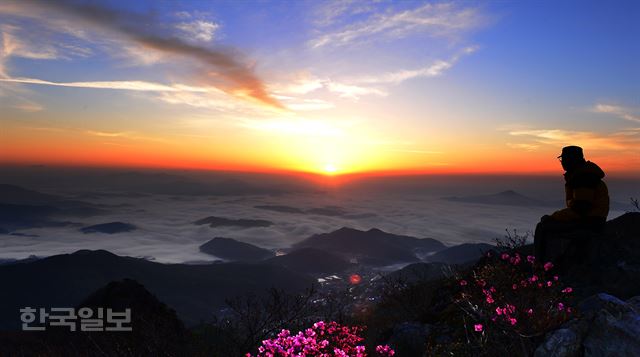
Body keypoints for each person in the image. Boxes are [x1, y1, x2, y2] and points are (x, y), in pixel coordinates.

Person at [534, 146, 610, 263]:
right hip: (591, 220)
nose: (562, 162)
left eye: (563, 159)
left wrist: (553, 217)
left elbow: (580, 209)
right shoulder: (583, 174)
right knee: (548, 224)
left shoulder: (583, 177)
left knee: (543, 227)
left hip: (590, 222)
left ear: (571, 160)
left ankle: (540, 267)